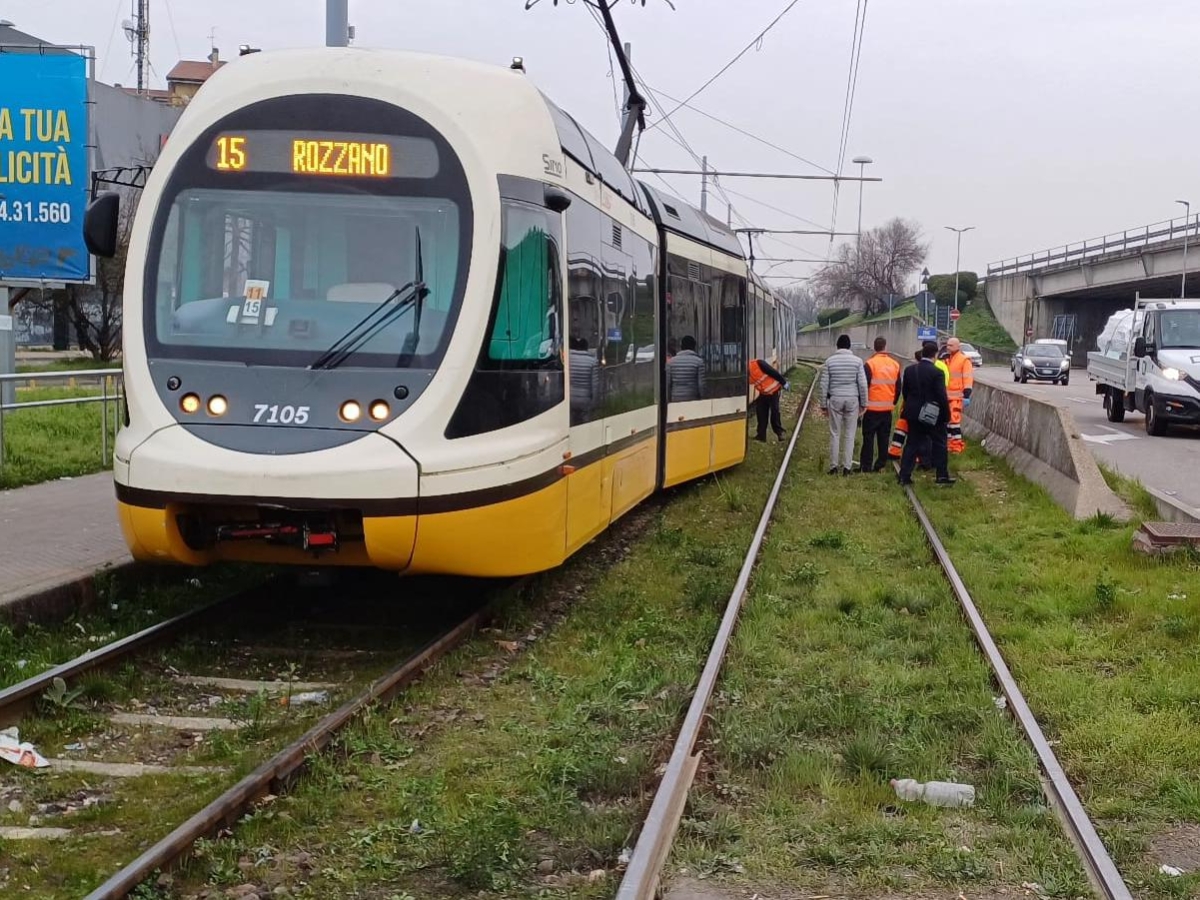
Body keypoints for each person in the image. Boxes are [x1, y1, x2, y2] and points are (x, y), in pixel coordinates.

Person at [898, 341, 954, 486]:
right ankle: (941, 476)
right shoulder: (937, 372)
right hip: (932, 415)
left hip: (913, 413)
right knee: (940, 444)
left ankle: (904, 476)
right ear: (935, 355)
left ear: (922, 353)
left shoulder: (910, 370)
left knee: (911, 444)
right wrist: (946, 415)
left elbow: (906, 393)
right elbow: (941, 396)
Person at [818, 334, 867, 475]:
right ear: (849, 346)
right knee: (850, 434)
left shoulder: (829, 361)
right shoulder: (858, 362)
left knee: (835, 433)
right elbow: (862, 385)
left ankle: (833, 466)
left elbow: (823, 385)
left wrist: (823, 404)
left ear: (837, 346)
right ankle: (847, 467)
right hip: (852, 399)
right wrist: (864, 403)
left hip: (835, 399)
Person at [860, 336, 901, 472]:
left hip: (871, 409)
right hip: (887, 409)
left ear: (874, 347)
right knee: (884, 438)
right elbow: (898, 387)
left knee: (868, 438)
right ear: (885, 347)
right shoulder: (895, 364)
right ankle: (880, 464)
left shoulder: (870, 364)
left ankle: (866, 465)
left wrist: (863, 405)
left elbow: (864, 386)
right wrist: (892, 402)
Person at [943, 336, 974, 453]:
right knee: (948, 423)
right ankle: (950, 445)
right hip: (947, 396)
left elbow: (967, 378)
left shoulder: (964, 360)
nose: (948, 347)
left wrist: (967, 394)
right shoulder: (947, 359)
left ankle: (956, 446)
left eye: (950, 345)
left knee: (954, 422)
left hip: (957, 397)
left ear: (957, 347)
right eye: (947, 345)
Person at [749, 356, 789, 442]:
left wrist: (783, 382)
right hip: (763, 393)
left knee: (774, 412)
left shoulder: (758, 363)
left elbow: (773, 372)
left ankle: (780, 433)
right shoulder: (746, 374)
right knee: (761, 413)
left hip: (774, 390)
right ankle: (761, 436)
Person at [569, 336, 600, 425]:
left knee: (571, 423)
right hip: (585, 399)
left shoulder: (567, 359)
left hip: (570, 398)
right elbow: (595, 384)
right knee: (584, 423)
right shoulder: (592, 361)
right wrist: (594, 402)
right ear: (586, 348)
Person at [666, 335, 704, 401]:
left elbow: (668, 383)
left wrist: (668, 399)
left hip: (675, 397)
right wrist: (702, 397)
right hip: (692, 397)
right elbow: (701, 384)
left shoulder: (671, 362)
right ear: (694, 347)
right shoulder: (699, 362)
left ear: (681, 347)